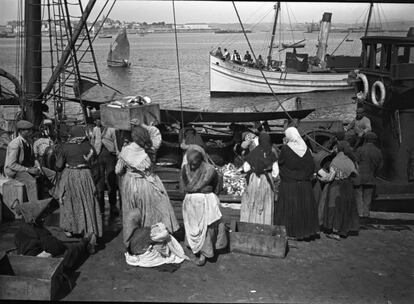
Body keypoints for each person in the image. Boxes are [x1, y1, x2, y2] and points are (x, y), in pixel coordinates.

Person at [116, 124, 179, 251]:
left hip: (132, 184)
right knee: (151, 211)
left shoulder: (126, 150)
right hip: (149, 184)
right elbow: (155, 132)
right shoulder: (151, 147)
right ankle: (152, 237)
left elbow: (118, 170)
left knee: (132, 213)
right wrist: (142, 124)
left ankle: (133, 239)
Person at [55, 125, 102, 253]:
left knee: (70, 201)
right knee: (88, 203)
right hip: (86, 176)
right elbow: (95, 164)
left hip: (71, 175)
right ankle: (90, 234)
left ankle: (71, 229)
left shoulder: (65, 147)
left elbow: (58, 165)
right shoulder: (89, 146)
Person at [14, 198, 93, 273]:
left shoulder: (20, 230)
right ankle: (85, 241)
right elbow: (57, 248)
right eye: (41, 217)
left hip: (26, 260)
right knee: (72, 250)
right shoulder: (41, 235)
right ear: (32, 218)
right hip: (41, 264)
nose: (44, 219)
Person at [180, 145, 228, 266]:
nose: (191, 166)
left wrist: (207, 193)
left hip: (205, 201)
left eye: (194, 163)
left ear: (201, 160)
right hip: (191, 202)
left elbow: (217, 186)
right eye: (190, 163)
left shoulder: (210, 169)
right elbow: (182, 187)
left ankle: (204, 253)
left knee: (207, 227)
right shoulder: (185, 169)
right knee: (192, 226)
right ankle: (194, 247)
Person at [274, 127, 319, 240]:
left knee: (290, 209)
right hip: (304, 184)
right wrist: (303, 176)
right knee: (303, 208)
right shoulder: (305, 148)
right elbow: (311, 167)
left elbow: (281, 164)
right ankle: (304, 232)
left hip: (289, 184)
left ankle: (290, 232)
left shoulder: (286, 149)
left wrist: (288, 175)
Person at [4, 120, 56, 202]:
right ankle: (34, 207)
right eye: (28, 130)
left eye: (30, 130)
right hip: (16, 171)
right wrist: (28, 170)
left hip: (29, 167)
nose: (30, 132)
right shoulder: (15, 144)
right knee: (31, 181)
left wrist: (39, 167)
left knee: (52, 174)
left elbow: (34, 158)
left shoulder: (29, 141)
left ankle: (54, 198)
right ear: (21, 131)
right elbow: (12, 165)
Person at [318, 141, 360, 240]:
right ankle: (343, 230)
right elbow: (355, 173)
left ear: (339, 149)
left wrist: (321, 178)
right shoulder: (350, 160)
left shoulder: (335, 161)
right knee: (345, 208)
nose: (334, 149)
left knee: (335, 207)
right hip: (348, 186)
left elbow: (330, 178)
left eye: (336, 148)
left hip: (336, 186)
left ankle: (335, 231)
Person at [240, 132, 279, 225]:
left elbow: (245, 168)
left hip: (254, 178)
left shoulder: (254, 152)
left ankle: (252, 222)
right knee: (265, 201)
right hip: (266, 179)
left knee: (253, 199)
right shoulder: (272, 151)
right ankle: (265, 223)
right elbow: (276, 172)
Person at [90, 111, 120, 217]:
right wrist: (91, 154)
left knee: (111, 181)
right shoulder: (95, 129)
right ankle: (100, 207)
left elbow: (116, 142)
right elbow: (93, 142)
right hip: (98, 157)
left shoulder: (112, 129)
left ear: (102, 119)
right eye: (94, 120)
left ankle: (113, 205)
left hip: (110, 157)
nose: (95, 122)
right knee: (99, 181)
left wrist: (119, 156)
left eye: (96, 120)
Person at [124, 222, 190, 268]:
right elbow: (170, 246)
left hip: (134, 247)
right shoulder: (159, 234)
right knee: (162, 246)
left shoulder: (149, 229)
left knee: (162, 243)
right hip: (138, 249)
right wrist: (182, 256)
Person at [354, 131, 383, 219]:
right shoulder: (378, 151)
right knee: (367, 197)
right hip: (371, 177)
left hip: (359, 177)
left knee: (358, 196)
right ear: (374, 141)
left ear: (365, 140)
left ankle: (360, 214)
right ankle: (366, 214)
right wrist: (375, 174)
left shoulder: (360, 150)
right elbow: (380, 166)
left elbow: (355, 162)